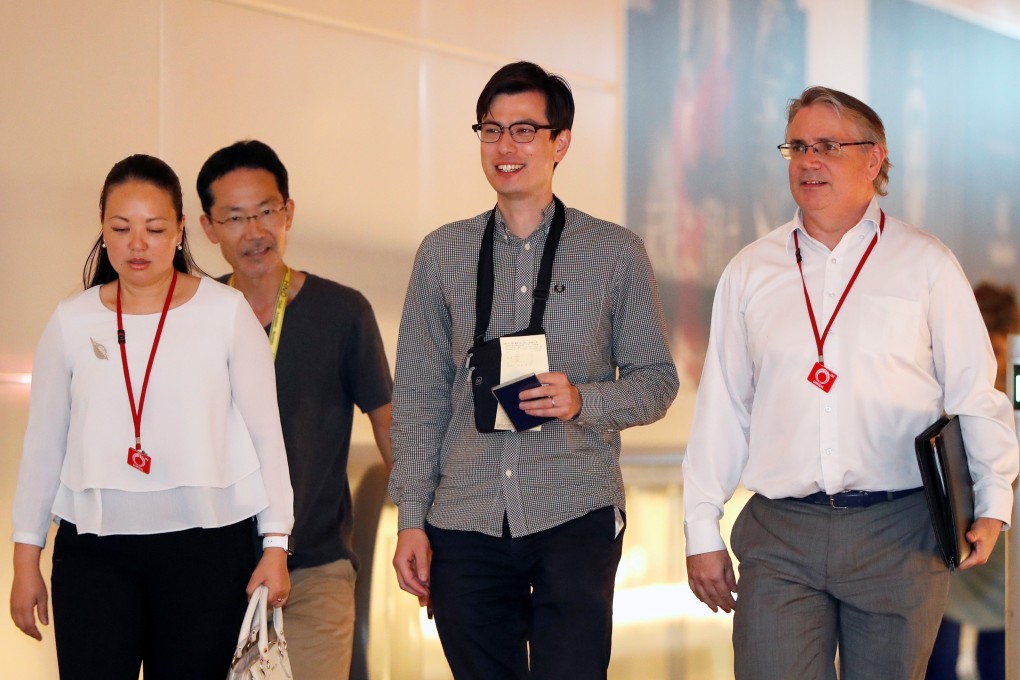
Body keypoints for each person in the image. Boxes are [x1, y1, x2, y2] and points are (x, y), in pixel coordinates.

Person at [682, 86, 1019, 680]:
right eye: (799, 146)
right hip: (781, 534)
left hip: (900, 530)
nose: (809, 160)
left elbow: (974, 392)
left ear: (874, 159)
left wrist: (993, 502)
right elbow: (723, 409)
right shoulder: (751, 271)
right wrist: (700, 528)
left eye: (829, 146)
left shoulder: (927, 264)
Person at [388, 61, 679, 680]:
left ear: (560, 142)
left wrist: (584, 401)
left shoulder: (613, 251)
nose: (505, 147)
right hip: (463, 515)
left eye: (524, 130)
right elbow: (417, 395)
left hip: (574, 508)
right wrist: (411, 517)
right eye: (491, 130)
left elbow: (658, 382)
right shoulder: (444, 252)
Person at [9, 154, 293, 679]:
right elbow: (44, 444)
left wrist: (275, 543)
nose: (137, 243)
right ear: (102, 230)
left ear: (182, 229)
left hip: (207, 548)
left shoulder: (224, 313)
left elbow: (266, 438)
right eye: (121, 228)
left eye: (155, 228)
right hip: (93, 549)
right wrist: (26, 555)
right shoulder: (72, 321)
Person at [197, 139, 394, 680]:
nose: (254, 231)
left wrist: (418, 527)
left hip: (313, 571)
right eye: (235, 217)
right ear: (209, 228)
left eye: (266, 211)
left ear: (289, 212)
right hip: (210, 569)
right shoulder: (196, 315)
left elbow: (388, 422)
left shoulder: (342, 312)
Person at [926, 282, 1019, 680]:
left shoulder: (1014, 397)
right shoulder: (945, 392)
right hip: (946, 544)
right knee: (936, 650)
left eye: (997, 356)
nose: (991, 372)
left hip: (1002, 550)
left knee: (1000, 652)